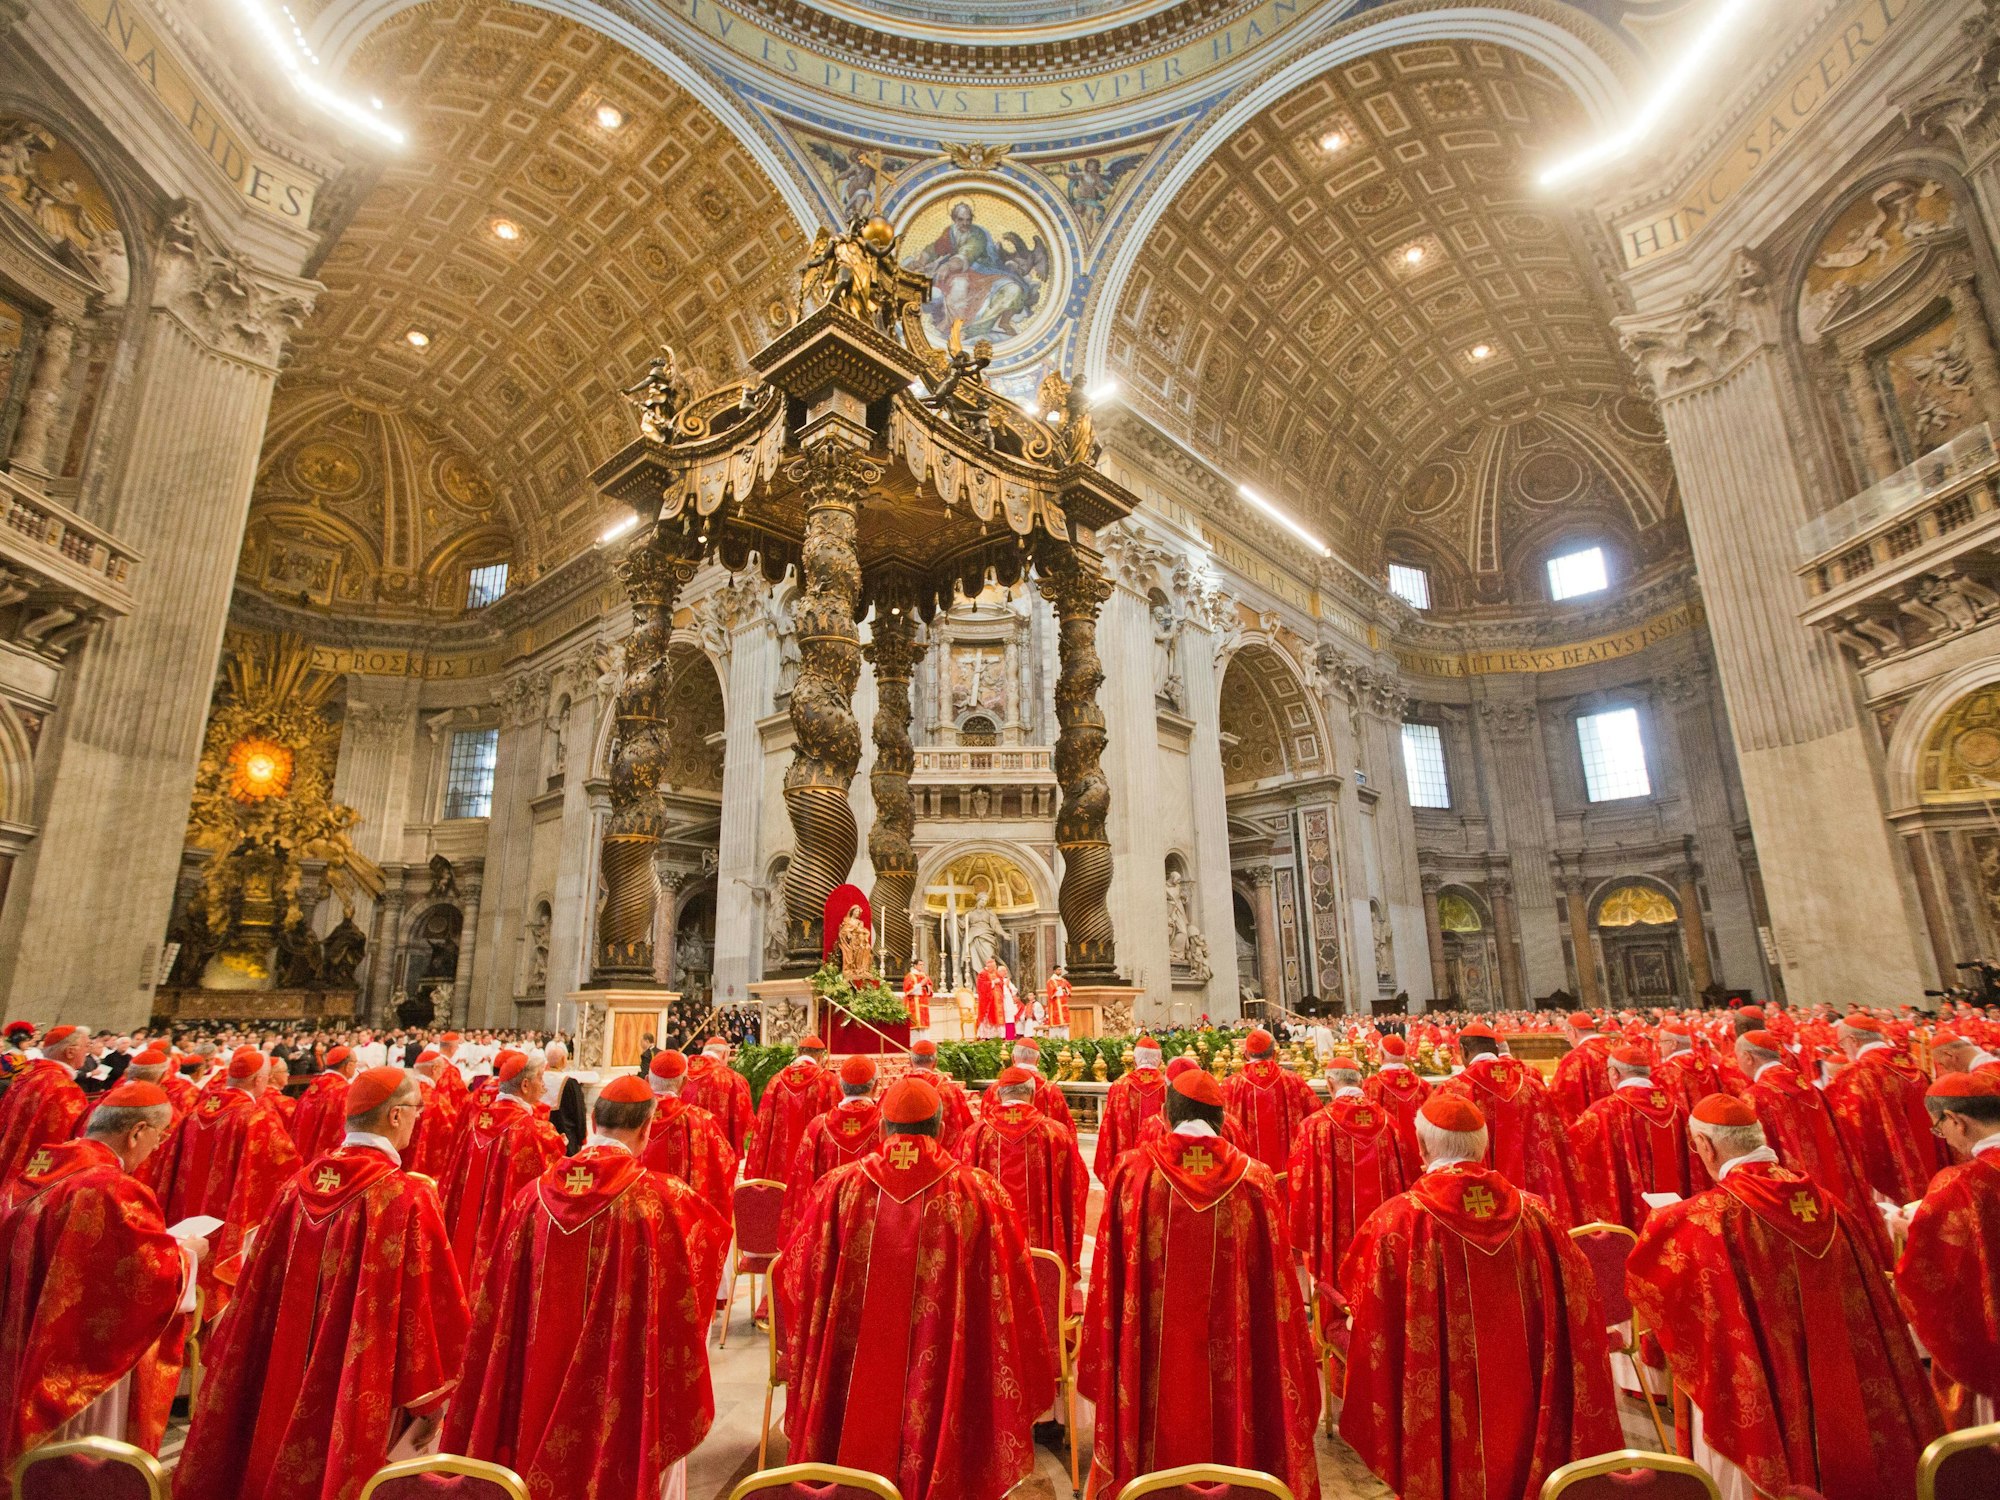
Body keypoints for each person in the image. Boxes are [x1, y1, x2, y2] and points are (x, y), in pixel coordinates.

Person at [174, 1068, 468, 1500]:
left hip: (281, 1371)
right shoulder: (405, 1197)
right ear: (395, 1116)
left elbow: (256, 1296)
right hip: (361, 1378)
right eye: (416, 1112)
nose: (419, 1120)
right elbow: (428, 1306)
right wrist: (429, 1402)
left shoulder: (296, 1186)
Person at [1627, 1093, 1940, 1500]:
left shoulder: (1706, 1219)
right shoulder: (1830, 1207)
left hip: (1764, 1392)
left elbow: (1653, 1284)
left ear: (1706, 1146)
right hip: (1846, 1383)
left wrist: (1664, 1224)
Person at [443, 1075, 729, 1500]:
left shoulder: (529, 1200)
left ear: (593, 1120)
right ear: (648, 1128)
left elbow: (496, 1309)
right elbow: (695, 1286)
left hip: (534, 1377)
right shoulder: (661, 1201)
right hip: (622, 1381)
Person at [779, 1076, 1052, 1500]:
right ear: (942, 1130)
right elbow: (1011, 1293)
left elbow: (797, 1275)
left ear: (884, 1128)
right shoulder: (978, 1193)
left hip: (851, 1371)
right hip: (946, 1366)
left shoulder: (839, 1190)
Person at [1341, 1093, 1620, 1500]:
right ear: (1483, 1146)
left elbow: (1370, 1318)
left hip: (1443, 1411)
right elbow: (1581, 1306)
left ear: (1421, 1148)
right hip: (1532, 1408)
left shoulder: (1398, 1221)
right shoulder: (1538, 1215)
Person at [0, 1081, 199, 1474]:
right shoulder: (110, 1187)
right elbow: (144, 1278)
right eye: (158, 1136)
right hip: (77, 1355)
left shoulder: (36, 1169)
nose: (157, 1147)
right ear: (137, 1131)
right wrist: (189, 1254)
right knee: (76, 1466)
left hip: (20, 1333)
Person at [144, 1047, 300, 1317]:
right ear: (258, 1081)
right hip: (231, 1216)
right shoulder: (255, 1117)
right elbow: (287, 1166)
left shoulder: (195, 1113)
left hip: (187, 1212)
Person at [1896, 1072, 2000, 1429]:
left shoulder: (1961, 1185)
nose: (1945, 1138)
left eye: (1940, 1128)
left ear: (1957, 1120)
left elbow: (1929, 1276)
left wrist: (1910, 1229)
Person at [957, 1065, 1089, 1298]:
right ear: (1033, 1095)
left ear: (998, 1095)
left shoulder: (975, 1136)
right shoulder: (1055, 1134)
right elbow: (1077, 1185)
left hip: (991, 1252)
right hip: (1045, 1248)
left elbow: (961, 1193)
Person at [438, 1049, 563, 1286]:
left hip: (468, 1223)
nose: (543, 1086)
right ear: (525, 1085)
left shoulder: (477, 1121)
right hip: (505, 1229)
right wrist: (558, 1144)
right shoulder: (533, 1131)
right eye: (540, 1079)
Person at [1287, 1060, 1407, 1304]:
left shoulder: (1315, 1127)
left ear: (1330, 1084)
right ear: (1361, 1082)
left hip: (1336, 1238)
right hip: (1385, 1236)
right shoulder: (1390, 1123)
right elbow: (1409, 1177)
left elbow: (1299, 1184)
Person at [1435, 1022, 1579, 1223]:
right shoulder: (1534, 1088)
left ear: (1464, 1051)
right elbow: (1558, 1142)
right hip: (1535, 1198)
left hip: (1479, 1198)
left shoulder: (1454, 1090)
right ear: (1495, 1049)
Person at [1566, 1046, 1691, 1230]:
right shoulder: (1678, 1110)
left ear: (1614, 1073)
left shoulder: (1605, 1111)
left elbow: (1571, 1154)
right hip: (1679, 1215)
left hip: (1632, 1219)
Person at [1823, 1012, 1940, 1203]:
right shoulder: (1912, 1064)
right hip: (1929, 1158)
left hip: (1892, 1168)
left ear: (1853, 1040)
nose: (1843, 1050)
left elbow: (1842, 1125)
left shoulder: (1859, 1072)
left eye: (1842, 1044)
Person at [782, 1053, 883, 1239]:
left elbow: (802, 1183)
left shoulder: (818, 1126)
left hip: (826, 1227)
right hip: (874, 1226)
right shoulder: (885, 1125)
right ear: (876, 1086)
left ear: (841, 1087)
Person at [640, 1050, 739, 1222]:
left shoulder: (628, 1118)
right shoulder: (702, 1121)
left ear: (647, 1081)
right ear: (684, 1083)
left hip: (638, 1217)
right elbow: (725, 1166)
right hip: (684, 1221)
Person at [1221, 1028, 1319, 1191]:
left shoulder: (1231, 1085)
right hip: (1290, 1176)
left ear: (1245, 1054)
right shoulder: (1293, 1081)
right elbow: (1316, 1119)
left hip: (1246, 1178)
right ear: (1275, 1054)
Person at [0, 1026, 89, 1179]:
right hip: (39, 1168)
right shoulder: (65, 1088)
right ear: (70, 1052)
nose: (87, 1053)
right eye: (86, 1047)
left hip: (11, 1154)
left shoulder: (29, 1073)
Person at [745, 1035, 837, 1180]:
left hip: (779, 1164)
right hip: (813, 1161)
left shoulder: (776, 1081)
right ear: (820, 1057)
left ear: (798, 1053)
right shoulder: (828, 1081)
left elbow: (763, 1124)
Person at [1092, 1035, 1166, 1179]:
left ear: (1134, 1060)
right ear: (1159, 1061)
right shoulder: (1170, 1087)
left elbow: (1108, 1130)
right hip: (1161, 1171)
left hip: (1126, 1169)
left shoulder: (1120, 1087)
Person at [1362, 1033, 1431, 1181]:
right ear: (1405, 1055)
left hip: (1388, 1163)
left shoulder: (1371, 1085)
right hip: (1423, 1158)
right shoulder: (1424, 1085)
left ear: (1380, 1054)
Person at [980, 1038, 1074, 1133]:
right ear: (1038, 1060)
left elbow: (984, 1127)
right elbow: (1065, 1130)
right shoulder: (1051, 1090)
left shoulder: (994, 1088)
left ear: (1013, 1058)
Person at [683, 1036, 753, 1154]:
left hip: (685, 1146)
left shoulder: (680, 1074)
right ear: (725, 1054)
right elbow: (744, 1118)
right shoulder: (733, 1079)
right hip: (717, 1151)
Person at [287, 1045, 355, 1160]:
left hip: (303, 1155)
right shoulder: (343, 1090)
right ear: (348, 1066)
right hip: (327, 1160)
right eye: (355, 1063)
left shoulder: (313, 1087)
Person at [404, 1047, 461, 1179]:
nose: (441, 1073)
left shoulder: (401, 1093)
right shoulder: (437, 1101)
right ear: (434, 1069)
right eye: (441, 1069)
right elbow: (453, 1134)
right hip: (425, 1171)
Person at [908, 1038, 973, 1150]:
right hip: (944, 1160)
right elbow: (968, 1128)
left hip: (905, 1157)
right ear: (935, 1063)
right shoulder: (950, 1091)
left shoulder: (895, 1089)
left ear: (910, 1062)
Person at [1549, 1012, 1612, 1122]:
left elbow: (1560, 1097)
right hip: (1618, 1116)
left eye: (1566, 1036)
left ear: (1572, 1032)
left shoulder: (1575, 1057)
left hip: (1594, 1121)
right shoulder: (1617, 1047)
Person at [540, 1041, 588, 1154]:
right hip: (565, 1136)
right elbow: (579, 1113)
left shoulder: (538, 1079)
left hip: (541, 1135)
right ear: (563, 1060)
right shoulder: (569, 1083)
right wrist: (581, 1138)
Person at [974, 957, 1006, 1039]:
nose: (995, 968)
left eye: (995, 966)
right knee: (989, 1018)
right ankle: (987, 1035)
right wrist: (992, 982)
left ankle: (999, 1035)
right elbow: (981, 986)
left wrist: (1000, 981)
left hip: (998, 1000)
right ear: (989, 966)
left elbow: (1001, 981)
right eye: (993, 966)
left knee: (999, 1018)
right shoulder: (983, 974)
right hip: (988, 1000)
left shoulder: (996, 973)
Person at [903, 959, 934, 1036]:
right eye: (920, 964)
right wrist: (921, 984)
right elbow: (908, 990)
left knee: (924, 1026)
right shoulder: (910, 976)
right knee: (915, 1024)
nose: (922, 966)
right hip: (914, 1003)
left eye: (923, 965)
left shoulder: (924, 975)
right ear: (915, 965)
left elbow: (929, 988)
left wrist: (927, 986)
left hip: (924, 1003)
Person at [1044, 963, 1071, 1039]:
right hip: (1055, 1005)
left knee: (1065, 1026)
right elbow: (1051, 993)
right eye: (1058, 970)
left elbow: (1069, 989)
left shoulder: (1063, 980)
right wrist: (1061, 987)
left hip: (1063, 1005)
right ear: (1054, 971)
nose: (1060, 971)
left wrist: (1066, 989)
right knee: (1056, 1027)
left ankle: (1066, 1041)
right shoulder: (1051, 981)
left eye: (1060, 969)